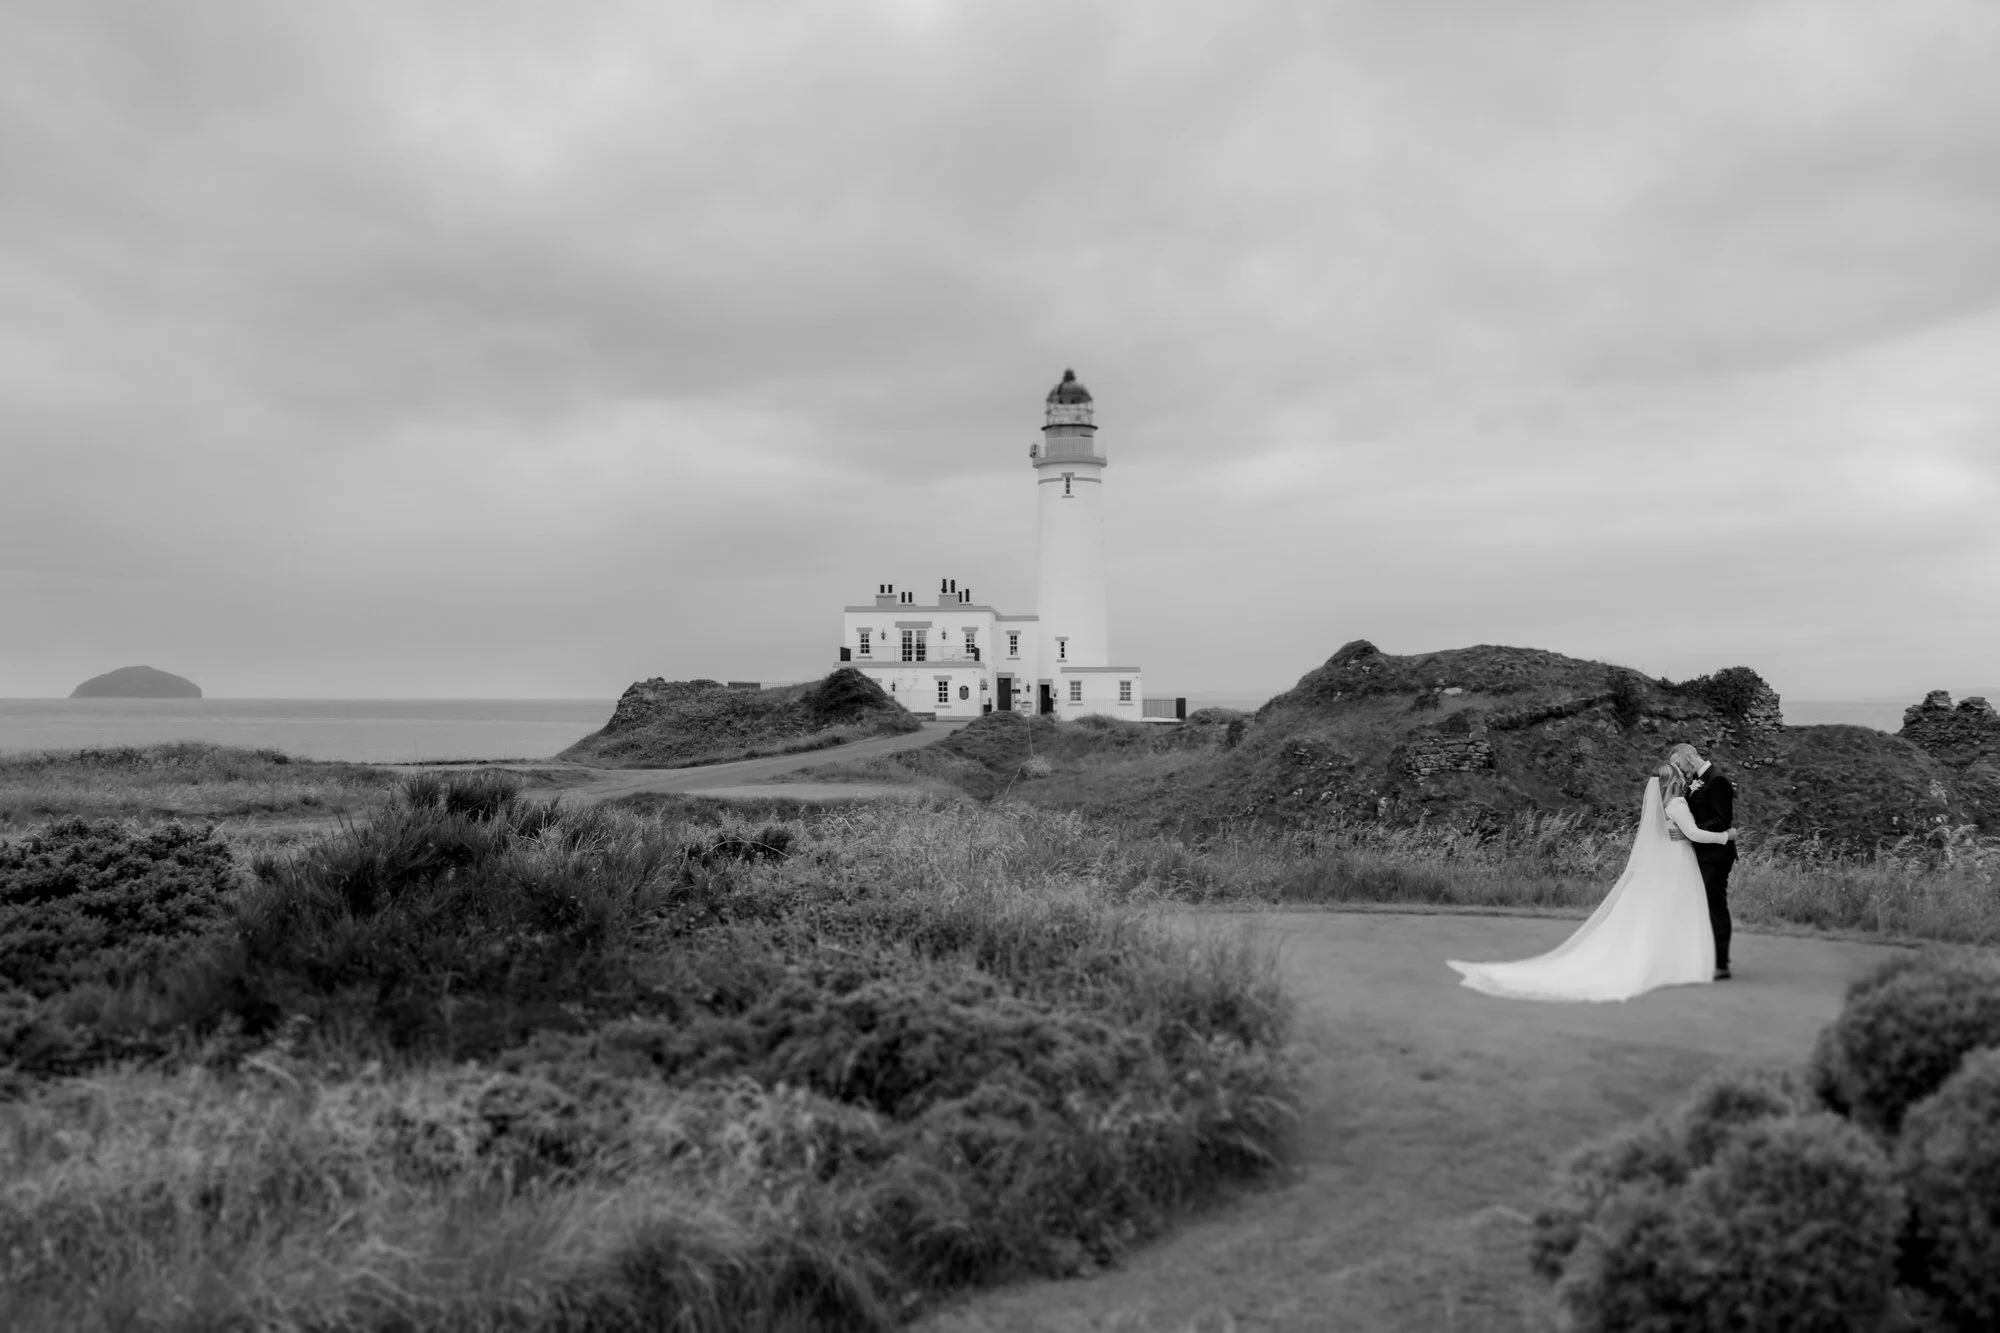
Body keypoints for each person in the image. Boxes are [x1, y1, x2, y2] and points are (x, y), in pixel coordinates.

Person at [1446, 761, 1737, 1002]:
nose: (1686, 778)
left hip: (1668, 863)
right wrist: (1728, 836)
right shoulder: (1676, 803)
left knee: (1660, 913)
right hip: (1677, 864)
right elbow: (1695, 834)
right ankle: (1670, 962)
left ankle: (1669, 961)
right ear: (1675, 779)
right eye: (1681, 774)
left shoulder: (1661, 803)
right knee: (1672, 912)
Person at [1668, 742, 1738, 980]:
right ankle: (1703, 957)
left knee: (1714, 907)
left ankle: (1720, 964)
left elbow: (1722, 820)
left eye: (1679, 764)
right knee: (1701, 906)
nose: (1680, 769)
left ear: (1690, 756)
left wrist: (1691, 832)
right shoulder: (1696, 780)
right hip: (1702, 853)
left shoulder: (1717, 780)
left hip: (1716, 856)